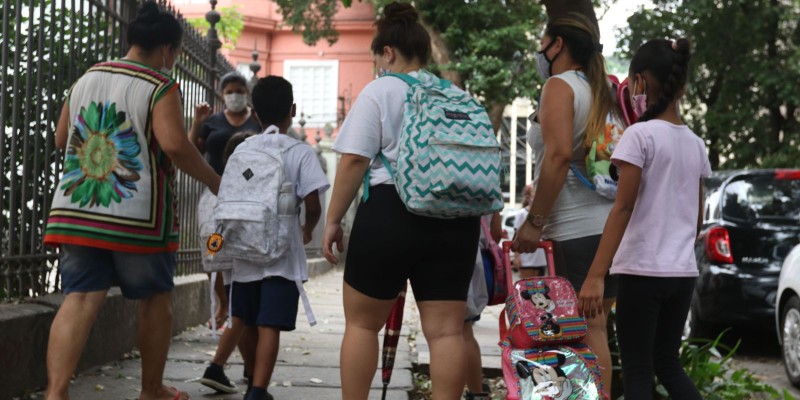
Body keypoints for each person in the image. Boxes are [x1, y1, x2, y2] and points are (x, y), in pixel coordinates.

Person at [42, 2, 221, 400]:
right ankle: (151, 390)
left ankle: (55, 393)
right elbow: (174, 145)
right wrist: (214, 180)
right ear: (168, 50)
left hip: (77, 209)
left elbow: (61, 138)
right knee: (154, 297)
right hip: (137, 217)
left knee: (80, 297)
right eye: (175, 54)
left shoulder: (89, 76)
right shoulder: (160, 86)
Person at [322, 3, 481, 399]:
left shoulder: (380, 90)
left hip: (391, 212)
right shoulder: (456, 95)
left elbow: (355, 161)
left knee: (362, 325)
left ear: (388, 53)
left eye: (378, 57)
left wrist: (333, 220)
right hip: (456, 219)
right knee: (447, 332)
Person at [578, 38, 706, 400]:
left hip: (641, 273)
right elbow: (697, 218)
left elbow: (623, 208)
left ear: (639, 83)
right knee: (668, 364)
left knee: (637, 372)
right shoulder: (695, 143)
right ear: (681, 86)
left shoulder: (639, 136)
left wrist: (595, 275)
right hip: (682, 274)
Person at [511, 13, 619, 393]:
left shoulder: (559, 86)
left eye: (543, 42)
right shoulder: (603, 88)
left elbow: (557, 157)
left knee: (586, 331)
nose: (540, 50)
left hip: (575, 229)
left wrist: (534, 222)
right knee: (597, 328)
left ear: (557, 45)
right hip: (609, 226)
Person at [233, 76, 329, 400]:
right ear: (293, 110)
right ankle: (259, 390)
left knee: (245, 318)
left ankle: (251, 379)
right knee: (269, 324)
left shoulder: (242, 149)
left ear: (254, 113)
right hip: (281, 252)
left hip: (244, 247)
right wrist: (307, 228)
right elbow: (313, 205)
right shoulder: (301, 152)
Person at [189, 71, 261, 330]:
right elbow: (192, 150)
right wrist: (197, 122)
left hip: (250, 193)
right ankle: (223, 302)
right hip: (215, 190)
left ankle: (240, 304)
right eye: (229, 92)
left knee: (243, 246)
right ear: (222, 94)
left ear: (247, 93)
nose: (234, 96)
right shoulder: (213, 122)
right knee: (212, 244)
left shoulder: (256, 121)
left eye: (239, 91)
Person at [198, 131, 259, 395]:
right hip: (240, 255)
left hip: (224, 254)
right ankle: (216, 366)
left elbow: (210, 238)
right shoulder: (245, 179)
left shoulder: (216, 185)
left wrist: (214, 252)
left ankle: (251, 371)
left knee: (242, 313)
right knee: (242, 314)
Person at [463, 212, 501, 400]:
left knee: (449, 334)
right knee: (465, 332)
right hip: (477, 261)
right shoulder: (491, 190)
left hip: (446, 256)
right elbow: (496, 233)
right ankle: (477, 393)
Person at [513, 185, 547, 278]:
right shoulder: (521, 214)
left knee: (541, 287)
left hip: (541, 261)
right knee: (527, 286)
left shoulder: (543, 214)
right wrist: (517, 258)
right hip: (527, 261)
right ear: (528, 197)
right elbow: (516, 237)